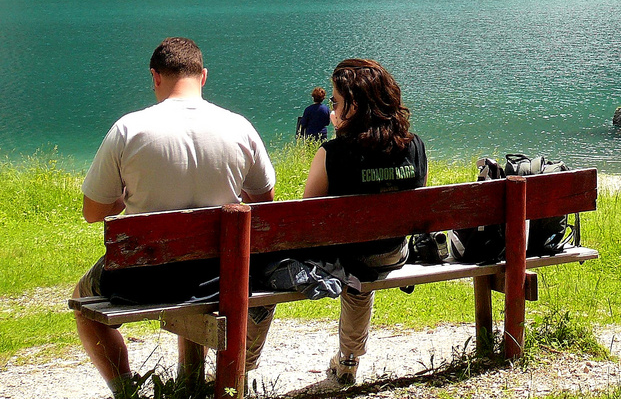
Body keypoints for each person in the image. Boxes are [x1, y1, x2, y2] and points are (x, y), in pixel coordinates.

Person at [74, 37, 277, 397]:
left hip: (141, 280)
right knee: (201, 256)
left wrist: (122, 199)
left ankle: (125, 390)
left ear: (155, 77)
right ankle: (196, 378)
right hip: (221, 275)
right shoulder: (239, 127)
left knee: (81, 299)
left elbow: (93, 212)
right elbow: (263, 201)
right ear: (203, 76)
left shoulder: (129, 129)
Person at [302, 58, 427, 387]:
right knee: (360, 268)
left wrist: (339, 134)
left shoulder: (331, 153)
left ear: (353, 106)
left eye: (336, 101)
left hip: (351, 258)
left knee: (354, 268)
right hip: (394, 251)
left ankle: (347, 358)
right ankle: (348, 358)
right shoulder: (414, 146)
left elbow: (306, 220)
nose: (333, 107)